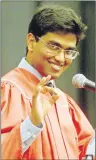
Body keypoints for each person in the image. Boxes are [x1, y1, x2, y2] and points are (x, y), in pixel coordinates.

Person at [1, 4, 95, 160]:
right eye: (54, 46)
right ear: (31, 42)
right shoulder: (9, 89)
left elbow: (87, 150)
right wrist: (32, 123)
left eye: (69, 51)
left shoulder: (64, 102)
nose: (60, 58)